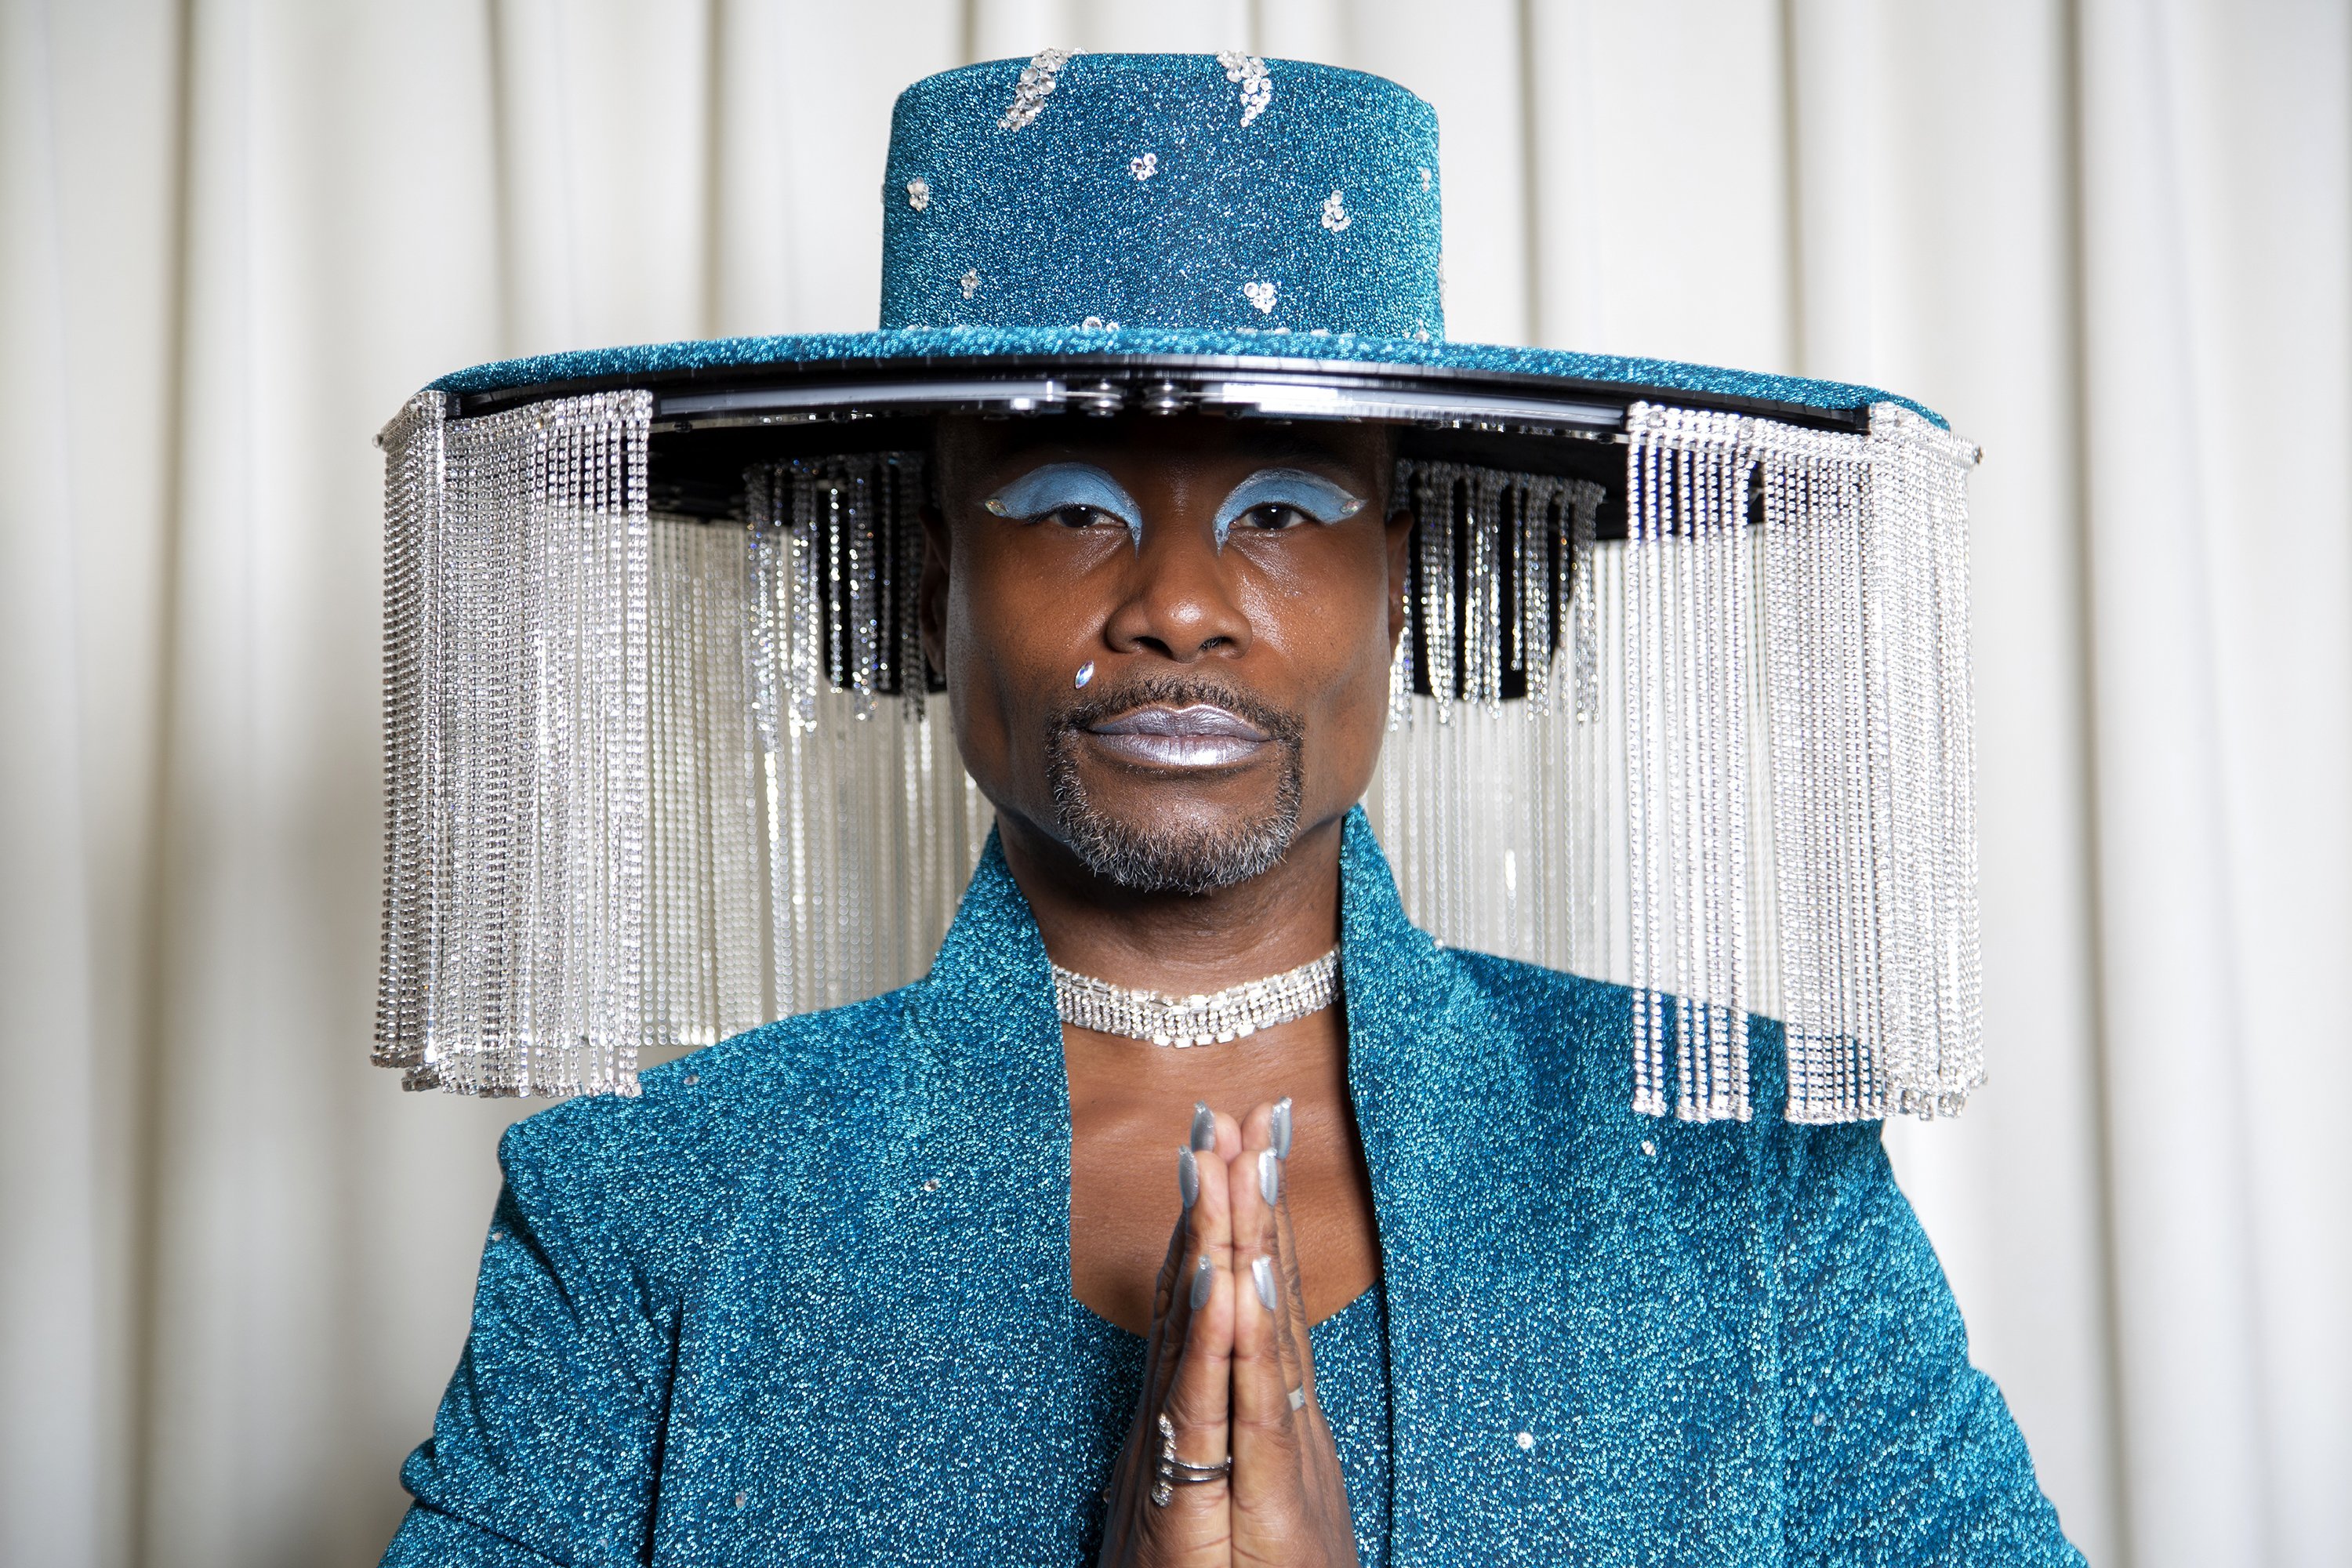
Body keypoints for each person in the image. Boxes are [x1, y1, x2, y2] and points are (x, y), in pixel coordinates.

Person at [376, 52, 2082, 1566]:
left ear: (1403, 589)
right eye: (1065, 506)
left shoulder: (1746, 1174)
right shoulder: (650, 1207)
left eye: (1283, 505)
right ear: (924, 590)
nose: (1180, 604)